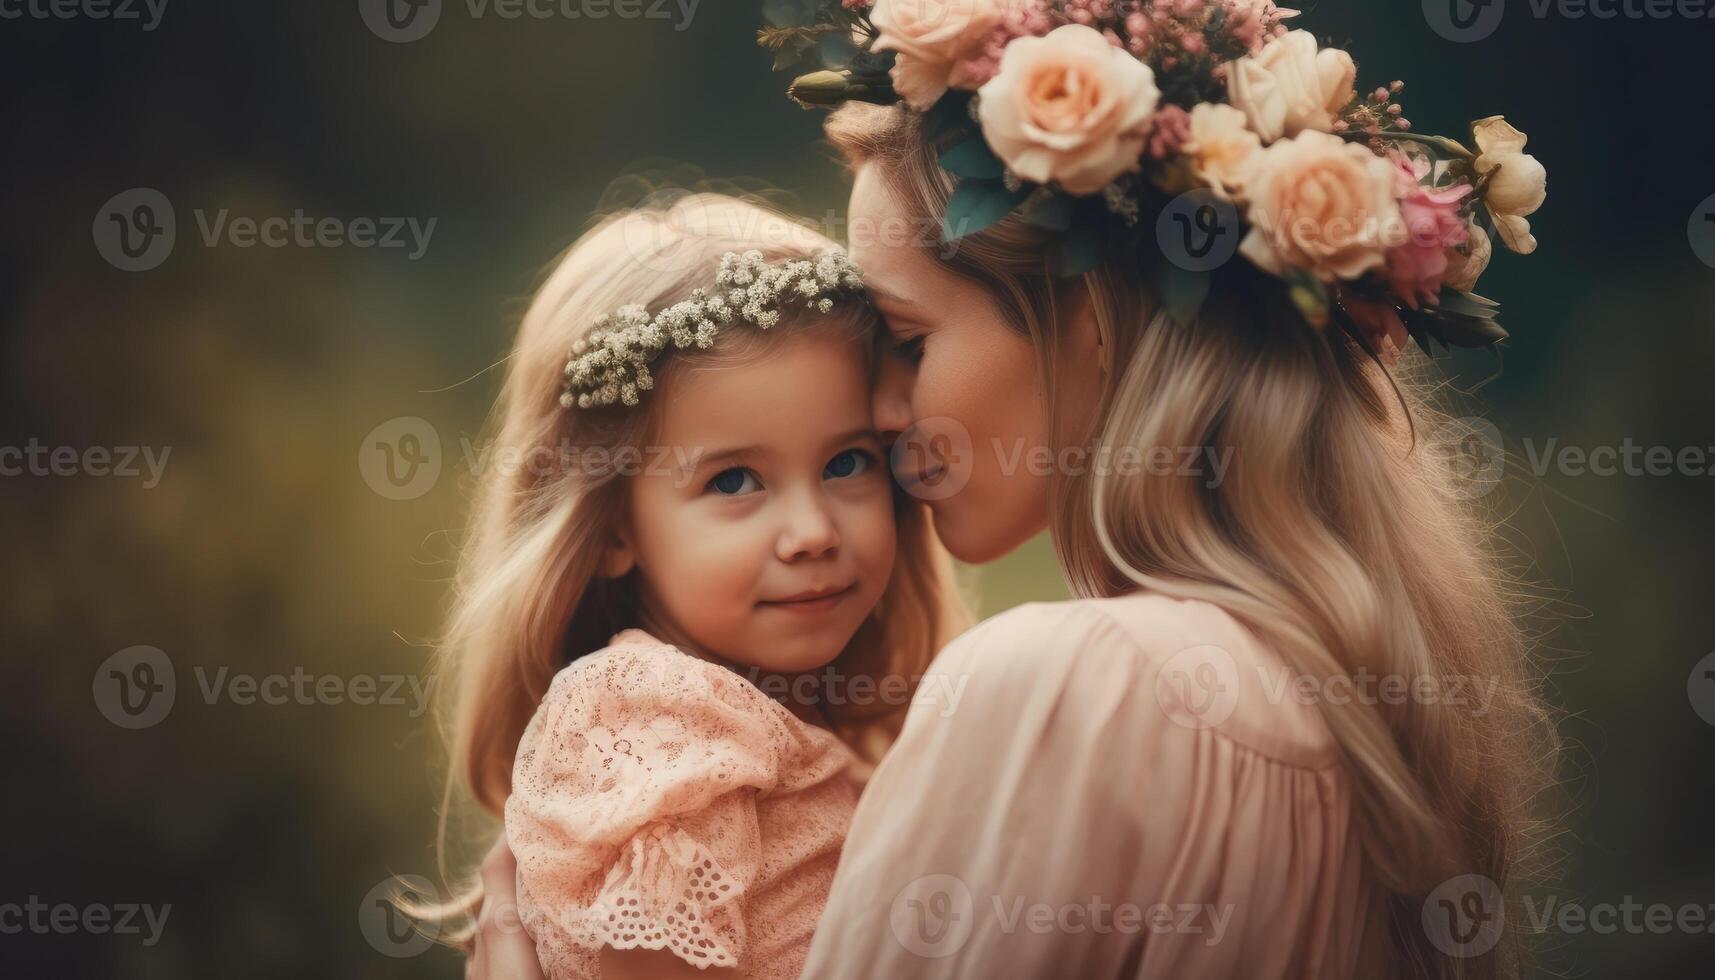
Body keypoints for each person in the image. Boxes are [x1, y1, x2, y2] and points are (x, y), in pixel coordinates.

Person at [468, 2, 1559, 976]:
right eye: (737, 478)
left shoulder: (1064, 688)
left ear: (1083, 322)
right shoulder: (1348, 685)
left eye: (904, 341)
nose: (886, 415)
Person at [409, 194, 971, 979]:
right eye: (735, 479)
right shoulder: (650, 712)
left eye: (847, 462)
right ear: (611, 528)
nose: (811, 530)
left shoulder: (770, 722)